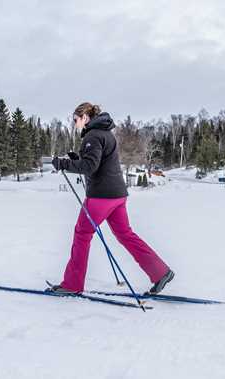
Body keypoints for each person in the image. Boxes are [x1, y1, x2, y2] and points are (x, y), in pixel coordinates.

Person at [49, 102, 174, 295]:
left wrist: (65, 164)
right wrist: (76, 160)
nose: (75, 124)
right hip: (117, 195)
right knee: (125, 234)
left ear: (85, 117)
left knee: (82, 234)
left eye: (76, 120)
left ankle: (72, 285)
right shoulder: (105, 133)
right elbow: (96, 162)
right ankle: (160, 272)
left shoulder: (92, 135)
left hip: (101, 196)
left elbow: (90, 166)